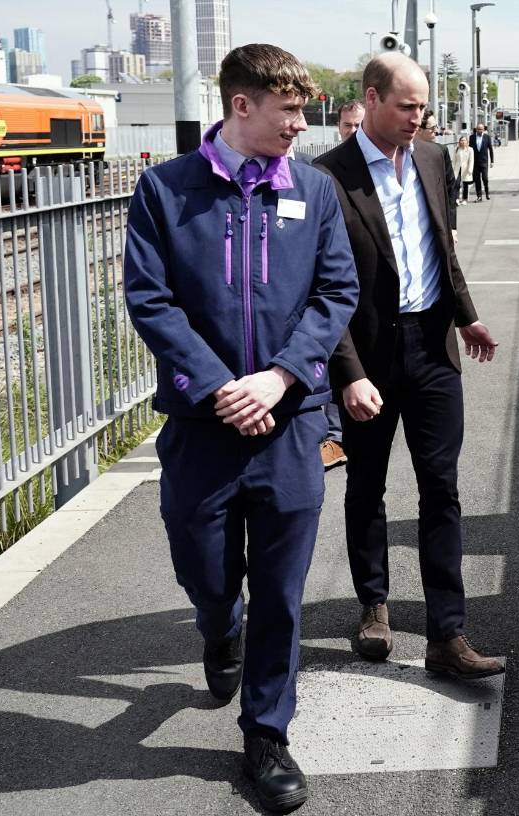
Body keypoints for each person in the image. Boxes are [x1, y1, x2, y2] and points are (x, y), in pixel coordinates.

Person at [123, 44, 358, 811]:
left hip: (290, 425)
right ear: (241, 106)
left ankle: (267, 733)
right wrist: (222, 386)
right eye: (288, 109)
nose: (301, 122)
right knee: (206, 567)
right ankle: (217, 627)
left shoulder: (315, 192)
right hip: (203, 424)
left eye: (304, 108)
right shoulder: (165, 190)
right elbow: (150, 300)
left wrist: (282, 376)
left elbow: (335, 292)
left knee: (283, 594)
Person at [313, 53, 504, 681]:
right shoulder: (326, 177)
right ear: (370, 100)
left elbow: (441, 245)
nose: (418, 118)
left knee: (441, 487)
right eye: (407, 106)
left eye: (423, 108)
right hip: (367, 355)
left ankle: (448, 634)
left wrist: (467, 315)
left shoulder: (432, 157)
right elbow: (321, 289)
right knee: (366, 485)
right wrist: (347, 372)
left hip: (432, 347)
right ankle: (374, 607)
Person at [316, 100, 368, 471]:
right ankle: (335, 439)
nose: (352, 131)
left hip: (368, 297)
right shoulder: (325, 171)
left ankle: (341, 436)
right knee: (338, 366)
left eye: (358, 125)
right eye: (347, 125)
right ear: (339, 127)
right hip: (336, 294)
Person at [418, 109, 459, 244]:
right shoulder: (400, 153)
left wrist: (452, 226)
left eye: (436, 127)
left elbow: (451, 190)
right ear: (419, 129)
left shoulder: (441, 152)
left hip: (439, 223)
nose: (436, 131)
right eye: (432, 128)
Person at [470, 122, 494, 201]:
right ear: (476, 130)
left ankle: (487, 193)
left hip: (484, 162)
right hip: (475, 162)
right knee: (477, 180)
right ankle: (479, 196)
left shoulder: (487, 137)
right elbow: (469, 150)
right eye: (478, 129)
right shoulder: (472, 137)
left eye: (481, 129)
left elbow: (490, 149)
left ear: (483, 130)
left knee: (485, 178)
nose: (479, 130)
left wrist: (492, 161)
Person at [454, 135, 474, 203]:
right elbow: (454, 160)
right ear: (459, 142)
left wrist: (470, 169)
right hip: (457, 169)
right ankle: (456, 198)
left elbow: (471, 160)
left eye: (464, 140)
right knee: (457, 183)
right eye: (461, 140)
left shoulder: (470, 149)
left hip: (466, 169)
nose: (462, 142)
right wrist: (452, 169)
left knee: (465, 184)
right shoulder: (457, 149)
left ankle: (464, 199)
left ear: (467, 141)